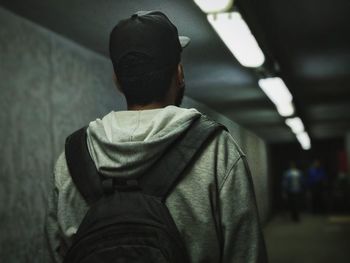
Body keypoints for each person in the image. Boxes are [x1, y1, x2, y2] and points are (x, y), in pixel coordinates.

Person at [45, 11, 267, 263]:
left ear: (117, 80)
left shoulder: (71, 159)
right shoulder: (217, 151)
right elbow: (246, 254)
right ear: (180, 73)